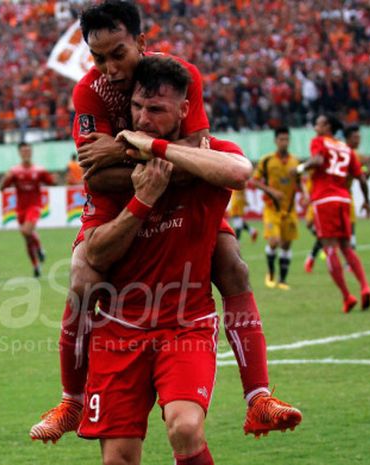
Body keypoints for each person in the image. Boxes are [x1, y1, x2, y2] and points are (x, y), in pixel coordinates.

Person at [30, 0, 300, 443]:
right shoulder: (88, 92)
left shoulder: (181, 75)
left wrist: (126, 147)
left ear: (140, 41)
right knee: (81, 275)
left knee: (232, 261)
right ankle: (71, 401)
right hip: (112, 202)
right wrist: (152, 160)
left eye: (118, 53)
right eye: (97, 57)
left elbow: (194, 143)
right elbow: (96, 173)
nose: (109, 66)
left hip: (172, 187)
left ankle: (259, 398)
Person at [79, 55, 252, 465]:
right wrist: (143, 198)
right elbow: (96, 250)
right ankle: (69, 399)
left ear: (184, 111)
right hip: (120, 325)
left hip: (185, 323)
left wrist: (156, 148)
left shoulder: (209, 153)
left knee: (186, 427)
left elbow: (239, 171)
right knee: (118, 458)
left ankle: (259, 392)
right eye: (137, 108)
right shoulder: (108, 167)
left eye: (155, 110)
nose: (142, 118)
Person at [297, 115, 370, 312]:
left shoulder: (319, 141)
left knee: (330, 248)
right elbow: (362, 179)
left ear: (327, 126)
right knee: (347, 248)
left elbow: (318, 159)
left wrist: (300, 168)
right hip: (344, 199)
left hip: (325, 200)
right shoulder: (346, 148)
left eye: (318, 123)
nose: (315, 127)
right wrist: (367, 202)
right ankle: (365, 286)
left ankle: (347, 296)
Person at [303, 125, 370, 273]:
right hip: (325, 196)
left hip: (344, 197)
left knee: (349, 232)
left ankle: (344, 262)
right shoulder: (338, 150)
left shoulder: (356, 155)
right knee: (310, 224)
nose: (358, 140)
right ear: (347, 138)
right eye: (355, 137)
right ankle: (319, 252)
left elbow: (362, 177)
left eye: (359, 137)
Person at [251, 127, 301, 290]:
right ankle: (271, 273)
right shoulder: (267, 161)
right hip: (272, 209)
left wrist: (306, 194)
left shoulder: (296, 162)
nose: (284, 142)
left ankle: (283, 280)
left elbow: (300, 182)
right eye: (281, 139)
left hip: (290, 209)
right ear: (275, 141)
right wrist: (271, 191)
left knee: (286, 245)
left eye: (286, 139)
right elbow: (255, 181)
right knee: (274, 241)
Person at [0, 142, 57, 277]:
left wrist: (55, 180)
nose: (26, 153)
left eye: (28, 151)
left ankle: (40, 248)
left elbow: (52, 183)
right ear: (19, 153)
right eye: (24, 151)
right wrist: (5, 179)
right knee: (27, 238)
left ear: (31, 152)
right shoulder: (14, 172)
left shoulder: (39, 170)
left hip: (34, 206)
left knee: (26, 231)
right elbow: (2, 188)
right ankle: (36, 265)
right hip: (20, 210)